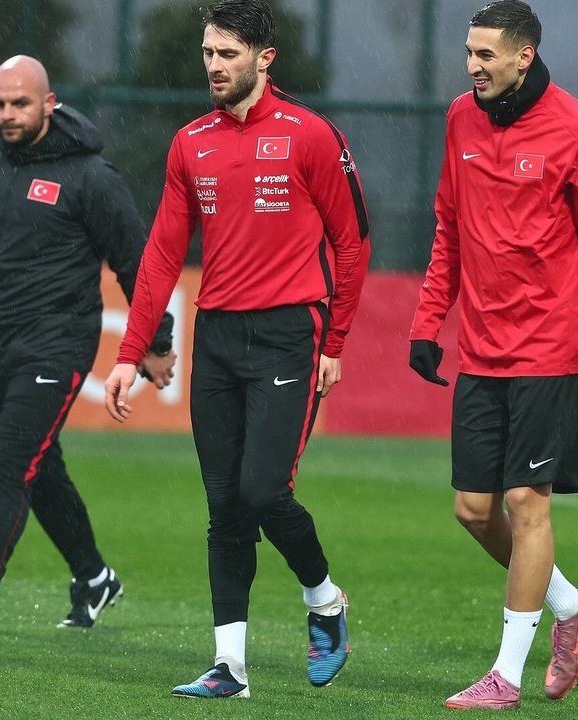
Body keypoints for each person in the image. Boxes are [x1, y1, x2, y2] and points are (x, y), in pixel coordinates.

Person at [101, 0, 370, 699]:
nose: (214, 66)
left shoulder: (311, 135)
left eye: (227, 53)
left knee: (263, 491)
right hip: (217, 336)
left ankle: (324, 600)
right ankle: (230, 668)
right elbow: (162, 254)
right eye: (208, 53)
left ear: (263, 58)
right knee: (224, 504)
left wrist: (335, 340)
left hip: (289, 334)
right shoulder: (190, 142)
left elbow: (352, 242)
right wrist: (130, 352)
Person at [407, 0, 578, 709]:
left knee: (525, 501)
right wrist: (428, 321)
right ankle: (573, 606)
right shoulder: (460, 119)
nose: (473, 66)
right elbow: (449, 226)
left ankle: (506, 676)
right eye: (469, 52)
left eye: (486, 54)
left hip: (552, 347)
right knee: (472, 510)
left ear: (525, 55)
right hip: (482, 347)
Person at [0, 56, 176, 633]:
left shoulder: (91, 176)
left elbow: (136, 262)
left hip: (58, 347)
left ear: (49, 104)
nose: (7, 114)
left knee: (11, 468)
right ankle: (94, 577)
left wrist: (155, 340)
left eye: (19, 103)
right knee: (39, 469)